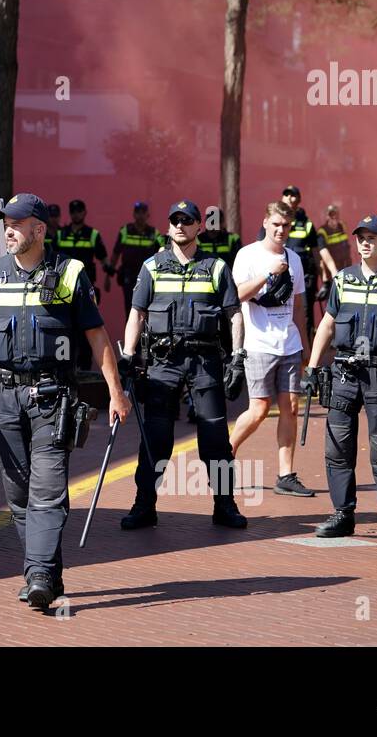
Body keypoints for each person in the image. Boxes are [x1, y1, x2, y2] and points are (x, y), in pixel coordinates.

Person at [0, 193, 130, 610]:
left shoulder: (69, 274)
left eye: (17, 223)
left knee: (46, 490)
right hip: (4, 398)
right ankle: (43, 572)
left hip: (51, 399)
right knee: (19, 494)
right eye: (5, 221)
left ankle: (39, 575)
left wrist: (116, 391)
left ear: (39, 230)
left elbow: (97, 336)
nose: (8, 229)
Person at [120, 199, 248, 531]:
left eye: (187, 220)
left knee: (215, 438)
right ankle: (144, 505)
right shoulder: (152, 266)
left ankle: (225, 505)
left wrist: (237, 357)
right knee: (156, 438)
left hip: (205, 361)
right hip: (163, 363)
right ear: (168, 226)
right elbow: (137, 313)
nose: (180, 225)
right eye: (175, 219)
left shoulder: (216, 267)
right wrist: (128, 355)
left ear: (198, 227)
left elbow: (234, 314)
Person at [304, 215, 377, 544]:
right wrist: (312, 368)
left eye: (373, 237)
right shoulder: (343, 280)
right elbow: (327, 325)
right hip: (344, 373)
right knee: (338, 447)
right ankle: (343, 514)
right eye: (361, 237)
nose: (366, 242)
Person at [227, 201, 315, 497]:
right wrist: (269, 275)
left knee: (290, 407)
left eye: (286, 226)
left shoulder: (295, 259)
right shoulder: (247, 255)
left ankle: (286, 475)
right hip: (259, 344)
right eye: (276, 224)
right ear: (265, 222)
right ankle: (225, 454)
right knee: (259, 409)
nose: (281, 230)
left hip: (288, 343)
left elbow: (299, 305)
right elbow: (237, 294)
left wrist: (305, 345)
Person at [257, 186, 336, 345]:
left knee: (304, 313)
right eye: (287, 194)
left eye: (294, 195)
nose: (290, 198)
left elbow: (317, 252)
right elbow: (260, 247)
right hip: (276, 274)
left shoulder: (306, 224)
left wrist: (326, 279)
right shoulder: (272, 221)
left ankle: (304, 352)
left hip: (304, 275)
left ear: (299, 200)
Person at [56, 199, 110, 370]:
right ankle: (66, 368)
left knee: (88, 328)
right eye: (73, 211)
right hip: (63, 290)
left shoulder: (92, 234)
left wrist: (109, 275)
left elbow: (103, 259)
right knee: (64, 329)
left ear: (84, 212)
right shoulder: (60, 234)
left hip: (85, 289)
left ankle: (85, 368)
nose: (76, 214)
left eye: (79, 211)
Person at [109, 200, 163, 323]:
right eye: (138, 212)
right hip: (128, 276)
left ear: (148, 215)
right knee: (130, 308)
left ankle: (145, 339)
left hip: (147, 276)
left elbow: (163, 251)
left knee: (147, 309)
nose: (140, 215)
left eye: (143, 212)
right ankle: (132, 340)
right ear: (134, 214)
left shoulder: (154, 233)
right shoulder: (125, 231)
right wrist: (108, 275)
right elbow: (116, 253)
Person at [316, 205, 352, 318]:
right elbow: (323, 252)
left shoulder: (342, 226)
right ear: (327, 216)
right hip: (333, 273)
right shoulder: (322, 231)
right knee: (333, 305)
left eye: (335, 213)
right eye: (331, 214)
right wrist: (333, 271)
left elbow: (347, 246)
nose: (333, 217)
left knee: (346, 302)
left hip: (345, 270)